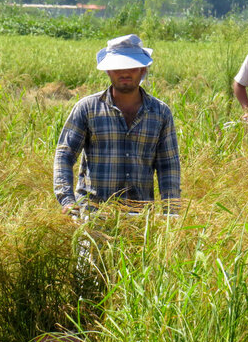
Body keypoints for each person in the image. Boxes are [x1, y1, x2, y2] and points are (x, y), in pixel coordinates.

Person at [53, 34, 181, 215]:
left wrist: (171, 211)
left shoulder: (160, 113)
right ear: (108, 71)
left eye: (131, 67)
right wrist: (67, 200)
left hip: (140, 217)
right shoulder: (88, 108)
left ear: (143, 69)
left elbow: (168, 166)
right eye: (117, 68)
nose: (124, 73)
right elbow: (64, 154)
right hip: (93, 213)